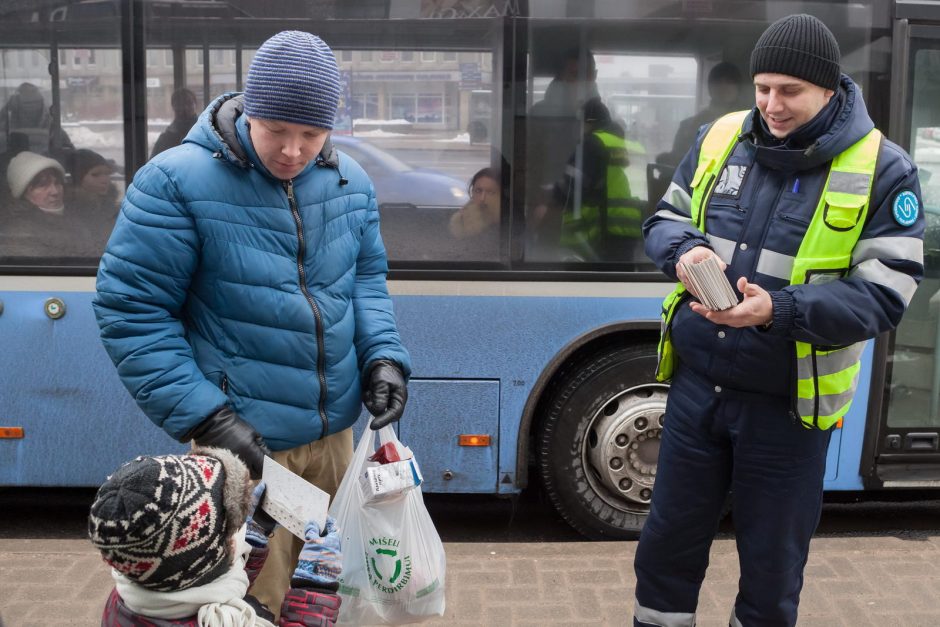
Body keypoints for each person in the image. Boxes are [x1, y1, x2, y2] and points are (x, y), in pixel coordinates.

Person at [92, 30, 412, 619]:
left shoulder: (351, 183)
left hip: (335, 438)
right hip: (244, 449)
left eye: (311, 135)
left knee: (327, 594)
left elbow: (365, 282)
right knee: (250, 604)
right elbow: (130, 311)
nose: (293, 151)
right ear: (248, 110)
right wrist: (207, 417)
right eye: (276, 131)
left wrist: (383, 358)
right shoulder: (173, 183)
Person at [636, 14, 924, 626]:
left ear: (827, 88)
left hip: (788, 407)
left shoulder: (885, 168)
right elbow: (663, 217)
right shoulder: (720, 138)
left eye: (789, 90)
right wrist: (683, 250)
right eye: (762, 87)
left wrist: (778, 310)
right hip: (697, 391)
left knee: (770, 572)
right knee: (664, 551)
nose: (772, 104)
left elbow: (885, 295)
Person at [88, 447, 343, 625]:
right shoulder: (220, 621)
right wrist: (314, 587)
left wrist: (252, 537)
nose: (236, 528)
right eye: (228, 525)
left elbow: (204, 575)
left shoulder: (137, 591)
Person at [526, 47, 599, 256]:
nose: (581, 83)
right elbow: (527, 167)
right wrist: (539, 205)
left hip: (591, 227)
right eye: (574, 76)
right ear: (562, 78)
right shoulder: (541, 116)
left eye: (587, 75)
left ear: (595, 76)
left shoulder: (604, 120)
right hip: (548, 216)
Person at [551, 97, 643, 262]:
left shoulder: (592, 144)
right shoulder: (622, 143)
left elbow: (572, 187)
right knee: (622, 281)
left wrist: (551, 198)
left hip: (602, 228)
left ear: (589, 122)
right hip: (628, 227)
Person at [0, 151, 94, 259]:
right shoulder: (19, 235)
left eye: (57, 183)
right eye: (42, 185)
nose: (55, 192)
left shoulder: (77, 218)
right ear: (23, 193)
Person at [659, 62, 744, 167]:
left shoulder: (749, 125)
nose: (723, 86)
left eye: (729, 82)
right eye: (718, 82)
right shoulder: (688, 126)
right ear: (710, 87)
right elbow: (679, 167)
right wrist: (668, 159)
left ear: (738, 88)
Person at [0, 82, 74, 159]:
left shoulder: (51, 126)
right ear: (16, 105)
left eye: (35, 102)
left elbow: (69, 153)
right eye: (27, 103)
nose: (32, 107)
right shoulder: (6, 125)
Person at [67, 148, 120, 222]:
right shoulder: (71, 214)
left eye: (107, 173)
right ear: (78, 179)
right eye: (95, 175)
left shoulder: (114, 208)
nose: (105, 180)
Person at [448, 167, 501, 240]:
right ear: (472, 193)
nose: (482, 198)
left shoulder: (509, 224)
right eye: (478, 191)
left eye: (490, 192)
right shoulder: (462, 220)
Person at [151, 87, 199, 157]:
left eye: (189, 103)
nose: (185, 108)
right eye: (180, 104)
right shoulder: (165, 139)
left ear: (195, 105)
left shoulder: (204, 133)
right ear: (173, 106)